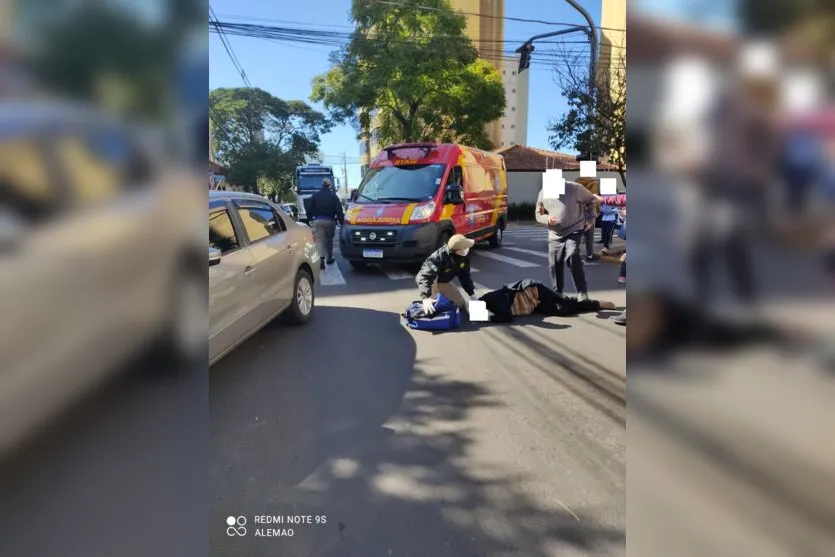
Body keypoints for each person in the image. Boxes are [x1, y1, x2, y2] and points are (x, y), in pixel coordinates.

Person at [535, 180, 596, 300]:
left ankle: (582, 292)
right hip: (555, 234)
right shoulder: (543, 193)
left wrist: (590, 219)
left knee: (572, 255)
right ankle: (558, 293)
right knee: (554, 264)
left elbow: (592, 200)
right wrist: (547, 219)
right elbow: (538, 214)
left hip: (575, 229)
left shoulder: (574, 188)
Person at [479, 279, 617, 323]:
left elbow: (506, 317)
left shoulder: (492, 301)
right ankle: (592, 306)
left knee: (565, 301)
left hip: (532, 290)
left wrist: (489, 319)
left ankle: (598, 304)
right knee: (563, 311)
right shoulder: (485, 304)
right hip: (530, 306)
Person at [416, 234, 477, 315]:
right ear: (459, 250)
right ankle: (430, 300)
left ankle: (437, 297)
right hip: (429, 279)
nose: (468, 248)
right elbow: (426, 277)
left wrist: (472, 295)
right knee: (435, 306)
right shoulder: (438, 257)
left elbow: (465, 276)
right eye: (466, 247)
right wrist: (425, 298)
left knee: (460, 303)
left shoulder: (464, 258)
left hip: (442, 281)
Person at [305, 177, 344, 269]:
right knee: (329, 240)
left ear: (322, 184)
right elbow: (339, 209)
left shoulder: (315, 195)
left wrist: (309, 219)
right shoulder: (333, 196)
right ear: (329, 185)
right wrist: (341, 221)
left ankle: (321, 259)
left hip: (318, 221)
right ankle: (329, 258)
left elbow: (309, 209)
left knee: (319, 240)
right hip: (330, 221)